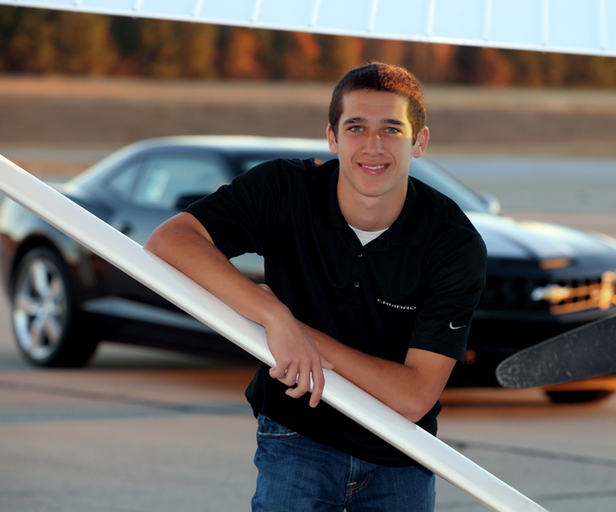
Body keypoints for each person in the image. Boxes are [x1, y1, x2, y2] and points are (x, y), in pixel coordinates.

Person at [145, 62, 487, 511]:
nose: (372, 146)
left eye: (391, 130)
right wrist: (272, 315)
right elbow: (169, 240)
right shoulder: (284, 190)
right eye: (356, 127)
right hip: (296, 434)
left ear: (419, 142)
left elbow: (413, 397)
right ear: (332, 137)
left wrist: (301, 337)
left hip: (400, 451)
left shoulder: (452, 243)